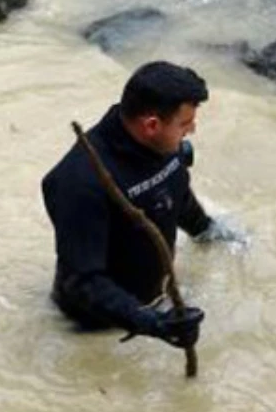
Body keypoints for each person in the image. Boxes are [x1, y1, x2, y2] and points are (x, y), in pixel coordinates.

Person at [41, 61, 241, 351]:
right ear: (151, 125)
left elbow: (174, 193)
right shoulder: (81, 182)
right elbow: (83, 282)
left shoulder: (162, 146)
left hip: (153, 304)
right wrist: (151, 323)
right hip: (98, 332)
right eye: (185, 124)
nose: (192, 130)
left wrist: (208, 231)